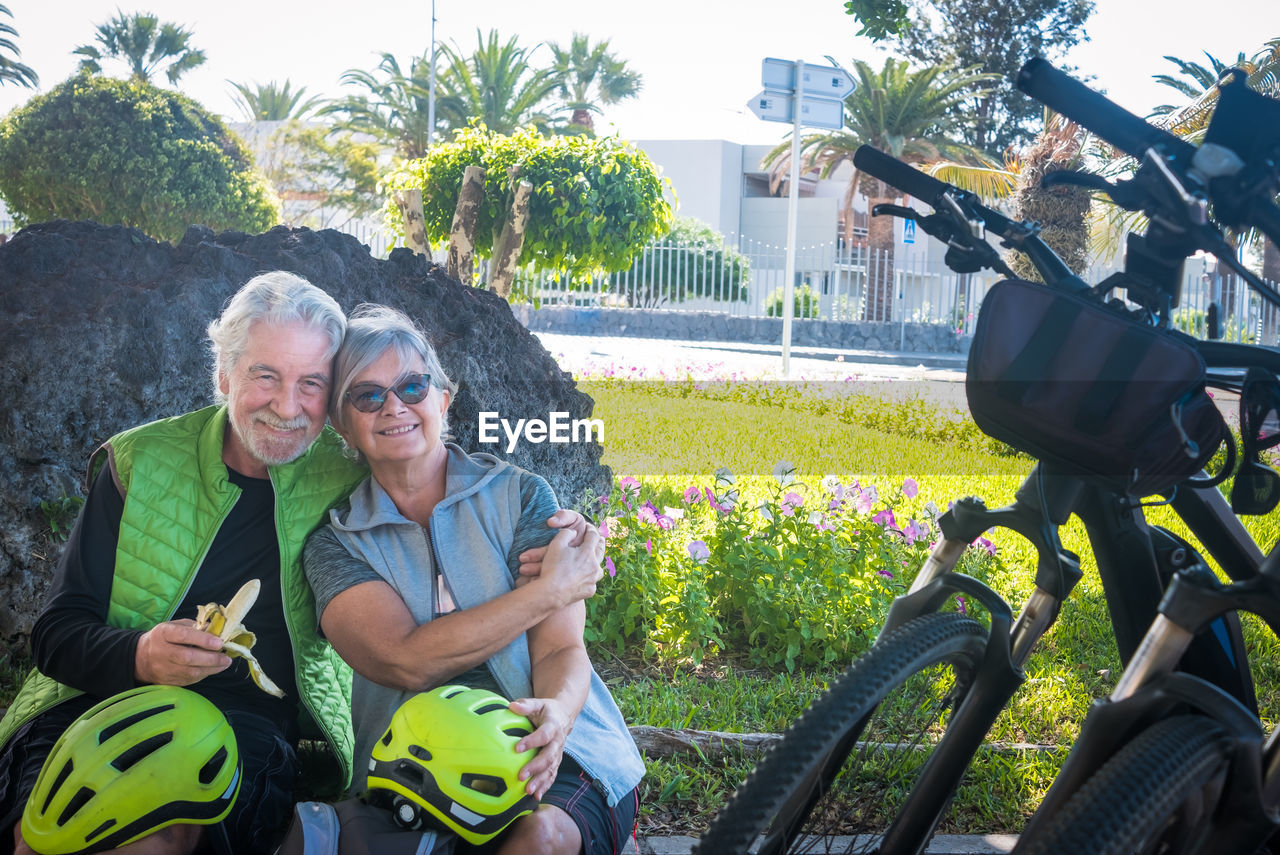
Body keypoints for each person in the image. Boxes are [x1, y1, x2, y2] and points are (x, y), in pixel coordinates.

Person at [0, 273, 599, 855]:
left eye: (312, 383)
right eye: (265, 375)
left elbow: (428, 460)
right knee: (47, 833)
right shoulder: (138, 462)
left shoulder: (348, 468)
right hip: (97, 699)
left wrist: (572, 532)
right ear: (223, 374)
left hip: (244, 717)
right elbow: (57, 633)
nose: (288, 407)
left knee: (160, 833)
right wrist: (141, 654)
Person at [303, 305, 643, 855]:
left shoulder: (523, 498)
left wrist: (557, 714)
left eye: (412, 386)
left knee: (539, 837)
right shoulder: (337, 543)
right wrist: (548, 591)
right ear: (342, 423)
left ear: (443, 397)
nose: (395, 406)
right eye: (367, 395)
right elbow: (405, 659)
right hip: (416, 760)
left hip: (548, 742)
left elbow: (560, 647)